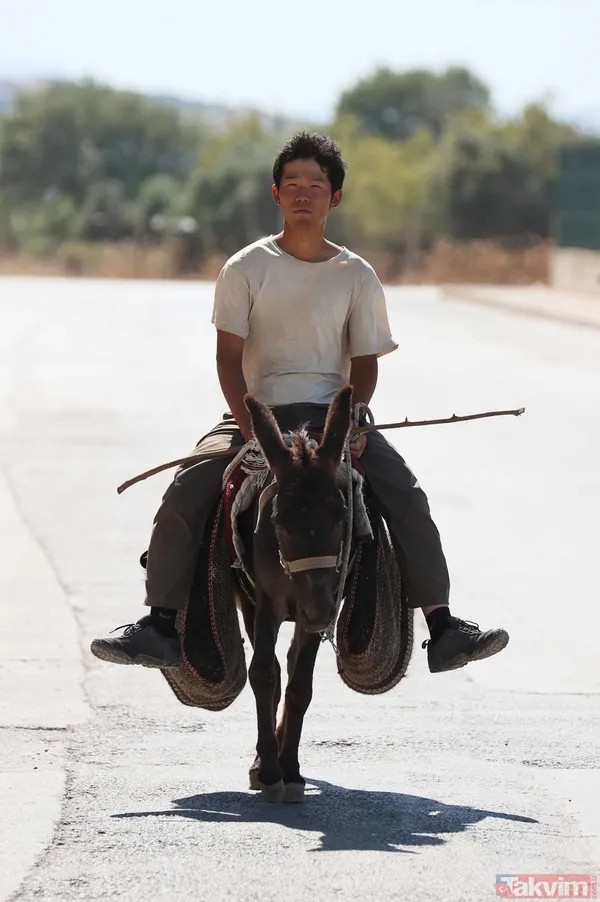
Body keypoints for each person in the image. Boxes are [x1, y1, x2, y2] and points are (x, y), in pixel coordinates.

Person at [90, 131, 509, 675]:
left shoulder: (357, 275)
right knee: (187, 488)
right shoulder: (245, 268)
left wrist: (353, 421)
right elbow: (227, 358)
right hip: (254, 413)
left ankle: (443, 624)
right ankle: (161, 623)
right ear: (276, 194)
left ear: (335, 197)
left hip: (332, 415)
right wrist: (248, 430)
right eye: (292, 184)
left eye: (316, 184)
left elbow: (364, 362)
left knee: (404, 493)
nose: (303, 194)